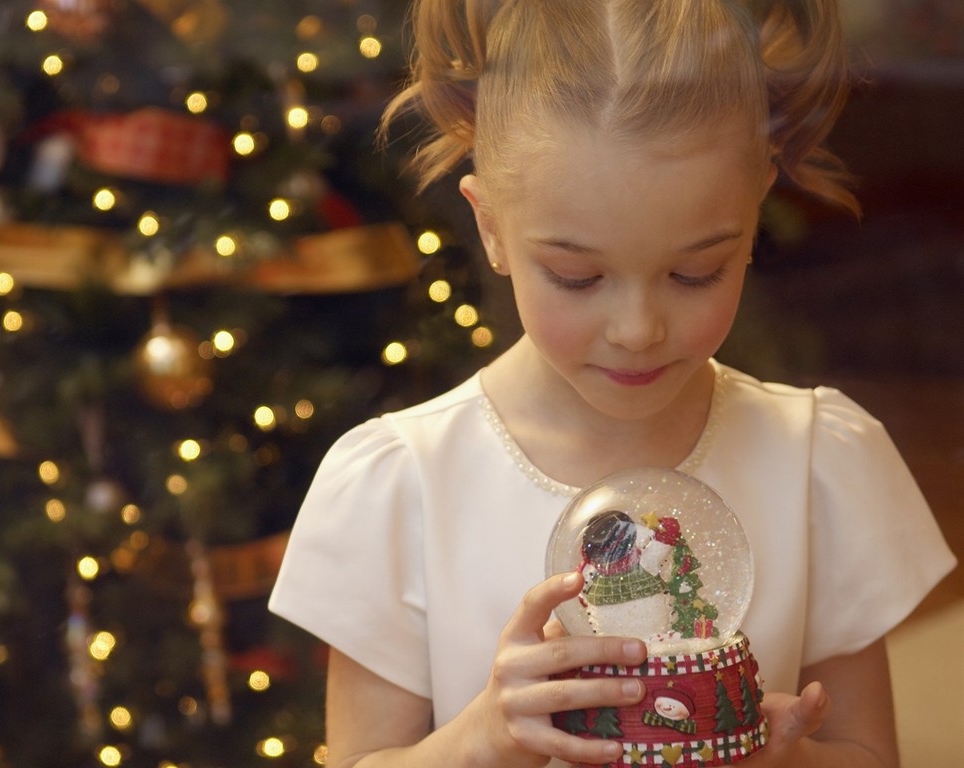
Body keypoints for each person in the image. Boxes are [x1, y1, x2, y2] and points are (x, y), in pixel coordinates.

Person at [266, 0, 958, 766]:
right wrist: (484, 737)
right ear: (491, 227)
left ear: (754, 207)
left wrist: (782, 755)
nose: (638, 328)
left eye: (697, 272)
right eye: (577, 276)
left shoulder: (816, 462)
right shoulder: (401, 488)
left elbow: (868, 753)